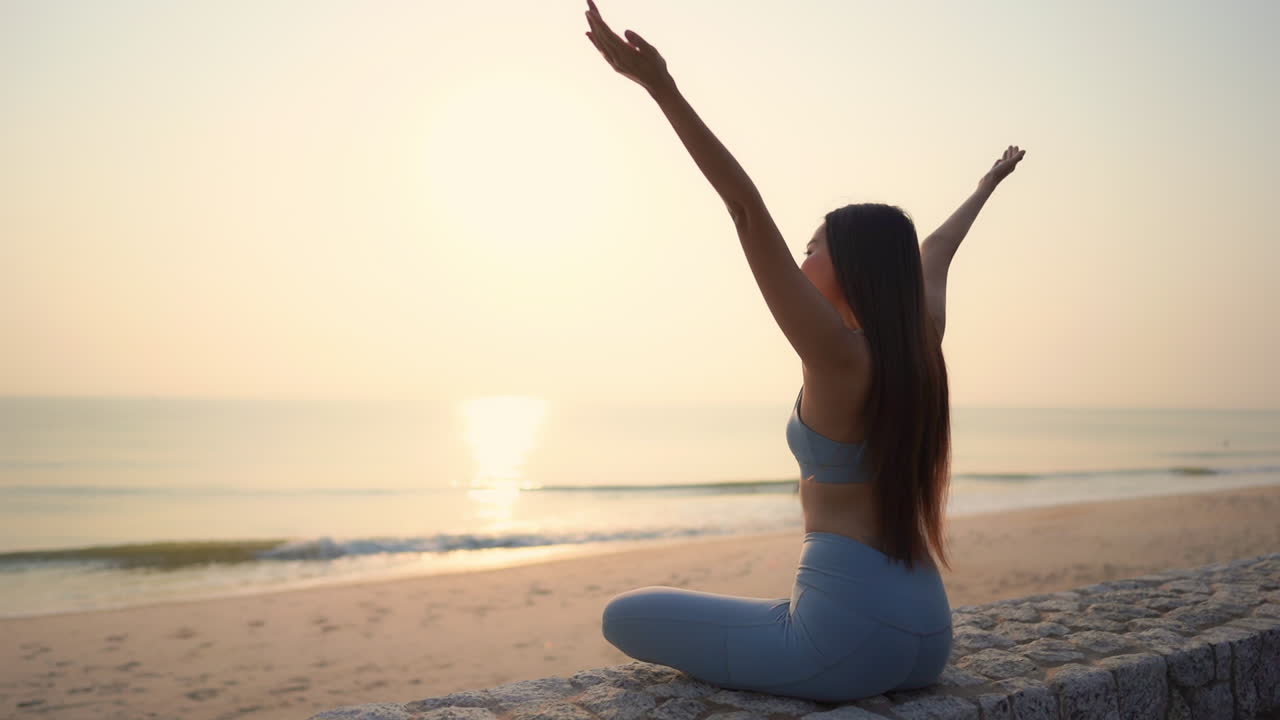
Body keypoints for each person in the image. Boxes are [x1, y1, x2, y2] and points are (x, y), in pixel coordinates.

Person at [584, 0, 1026, 702]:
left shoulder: (836, 353)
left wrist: (662, 89)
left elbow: (745, 209)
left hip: (845, 636)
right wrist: (984, 187)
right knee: (747, 620)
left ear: (851, 268)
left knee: (624, 615)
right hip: (927, 632)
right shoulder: (918, 341)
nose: (801, 255)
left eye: (813, 247)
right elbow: (936, 251)